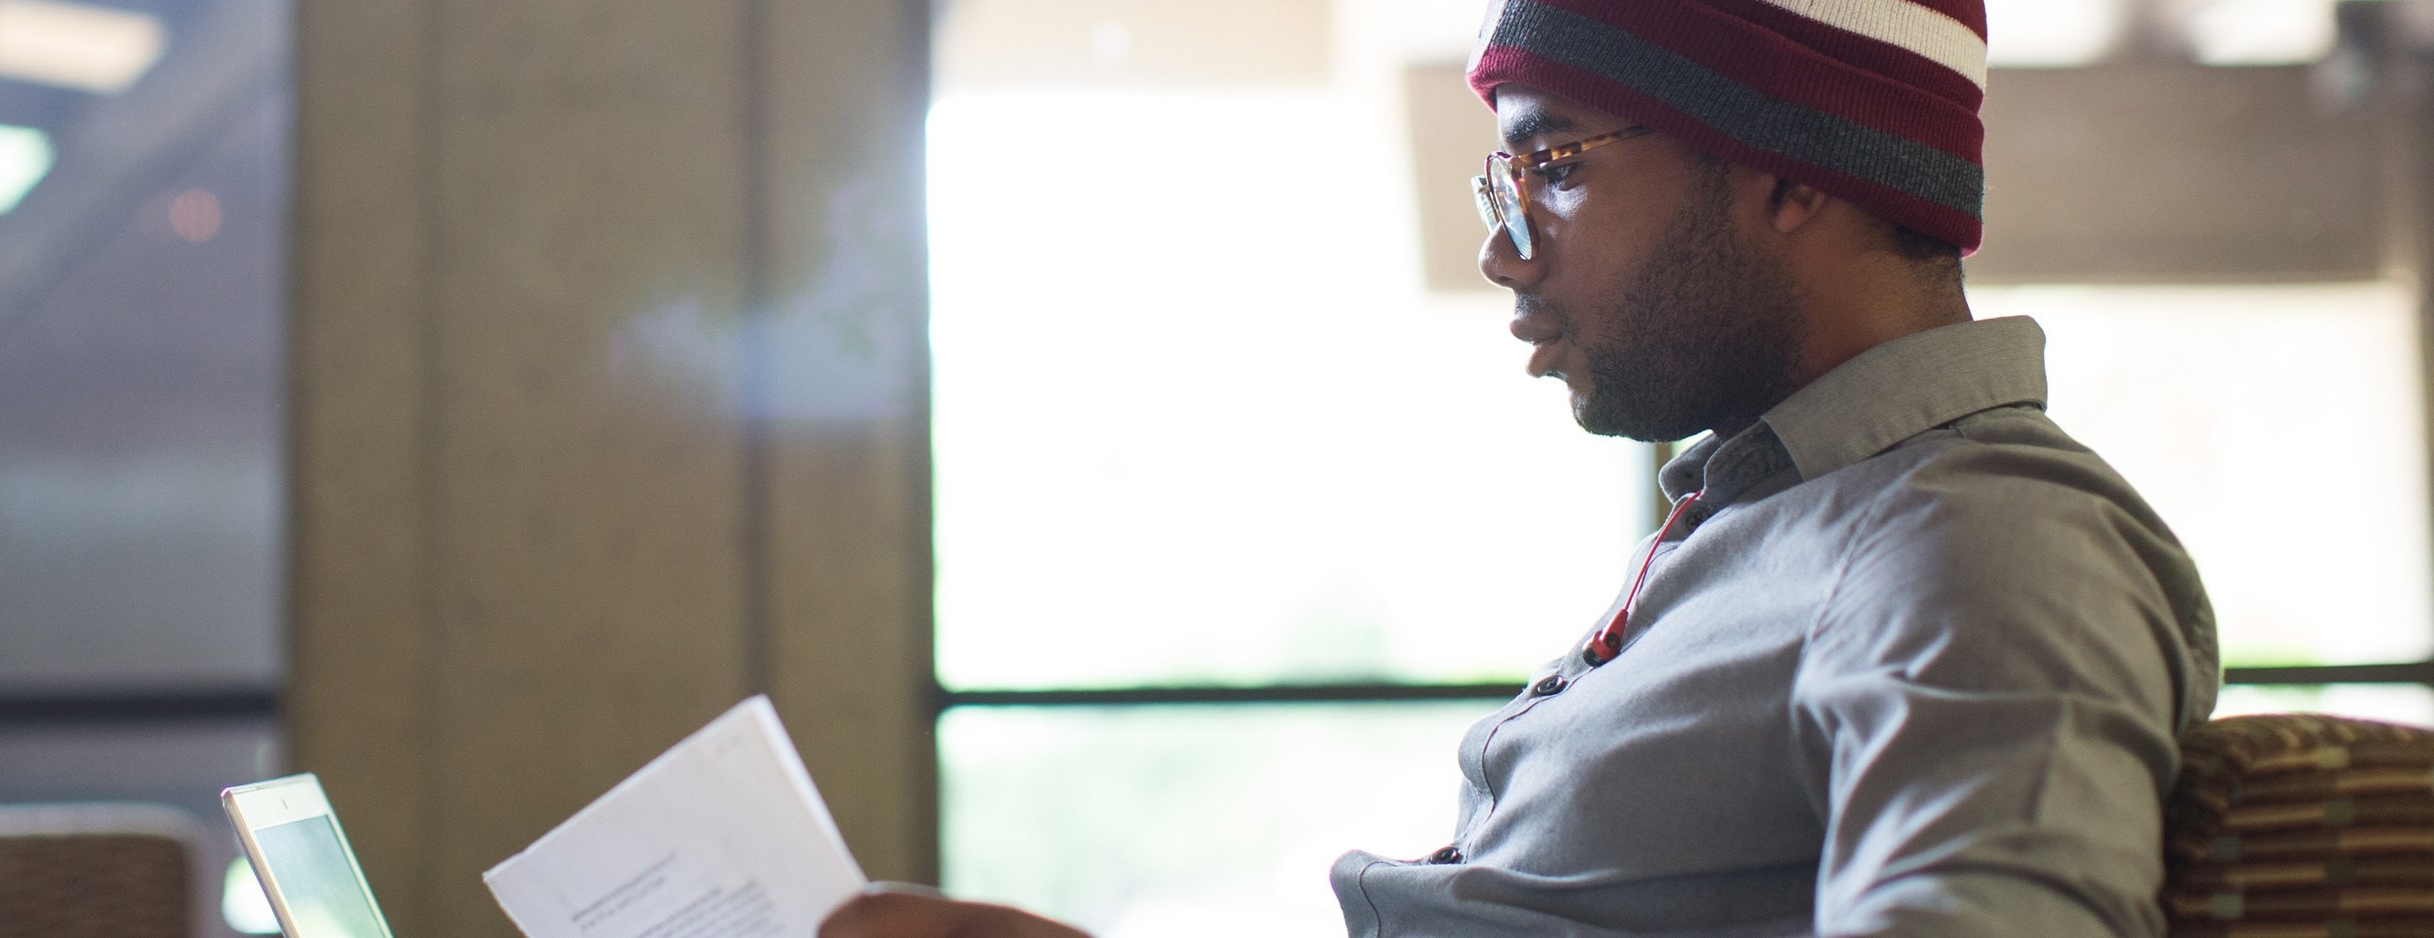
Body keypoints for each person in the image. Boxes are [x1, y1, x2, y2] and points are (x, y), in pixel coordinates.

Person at [823, 0, 2221, 934]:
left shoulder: (1984, 543)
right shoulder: (1782, 521)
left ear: (1795, 170)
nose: (1503, 247)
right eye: (1502, 184)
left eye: (1548, 160)